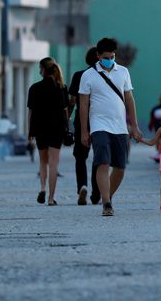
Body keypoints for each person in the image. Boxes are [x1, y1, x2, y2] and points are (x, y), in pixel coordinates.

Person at [78, 37, 143, 217]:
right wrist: (85, 131)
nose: (110, 59)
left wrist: (134, 126)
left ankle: (107, 195)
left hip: (120, 126)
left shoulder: (123, 72)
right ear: (98, 56)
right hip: (99, 125)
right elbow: (83, 105)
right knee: (103, 162)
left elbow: (129, 98)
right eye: (106, 56)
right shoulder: (88, 75)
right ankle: (106, 203)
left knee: (120, 168)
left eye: (112, 56)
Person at [27, 57, 70, 206]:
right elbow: (65, 112)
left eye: (40, 68)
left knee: (42, 162)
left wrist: (30, 131)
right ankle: (51, 198)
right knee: (53, 164)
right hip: (57, 129)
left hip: (40, 129)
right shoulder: (62, 88)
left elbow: (31, 113)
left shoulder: (34, 88)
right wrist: (67, 129)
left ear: (43, 70)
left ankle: (42, 188)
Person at [69, 47, 101, 206]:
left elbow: (72, 101)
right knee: (98, 157)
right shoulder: (103, 76)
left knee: (80, 157)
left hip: (81, 121)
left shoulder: (78, 75)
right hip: (99, 120)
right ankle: (96, 193)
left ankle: (82, 186)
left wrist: (67, 120)